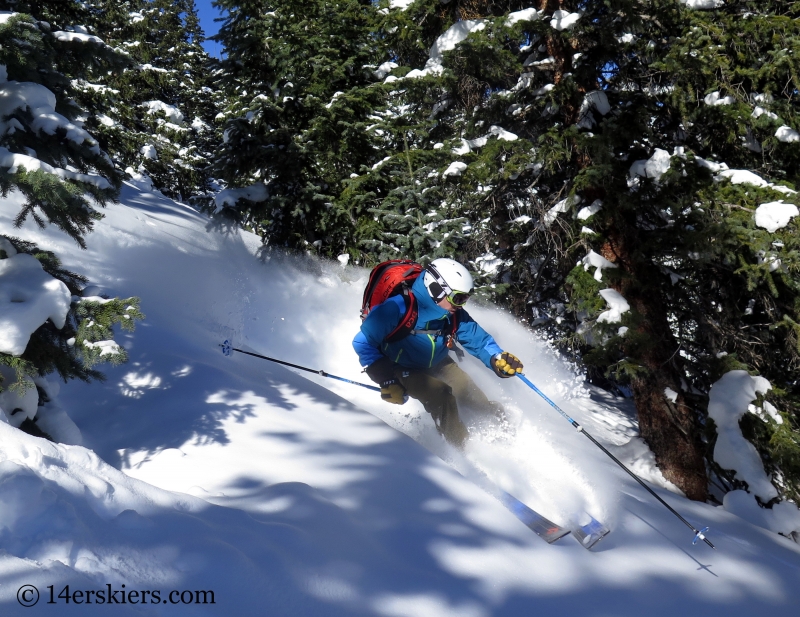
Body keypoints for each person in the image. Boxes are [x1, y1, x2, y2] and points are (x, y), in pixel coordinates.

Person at [353, 258, 523, 449]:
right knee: (442, 396)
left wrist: (497, 358)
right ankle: (465, 451)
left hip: (438, 361)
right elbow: (362, 342)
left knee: (472, 396)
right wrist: (386, 380)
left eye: (465, 299)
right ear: (436, 289)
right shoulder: (397, 307)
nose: (461, 305)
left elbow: (479, 340)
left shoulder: (452, 314)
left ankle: (510, 436)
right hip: (399, 367)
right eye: (458, 298)